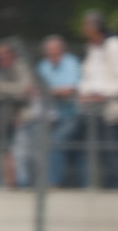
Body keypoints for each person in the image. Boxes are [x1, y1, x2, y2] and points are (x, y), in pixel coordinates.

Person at [79, 10, 118, 189]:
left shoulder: (114, 45)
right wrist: (85, 92)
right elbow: (89, 76)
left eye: (86, 25)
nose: (83, 30)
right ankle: (105, 185)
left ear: (95, 28)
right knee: (101, 150)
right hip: (94, 107)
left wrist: (106, 92)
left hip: (111, 106)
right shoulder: (92, 48)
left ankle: (117, 187)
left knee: (112, 148)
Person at [34, 34, 82, 187]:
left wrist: (50, 92)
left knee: (55, 143)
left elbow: (70, 89)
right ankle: (37, 180)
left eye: (55, 49)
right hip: (50, 116)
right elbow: (37, 89)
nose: (52, 53)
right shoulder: (43, 66)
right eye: (49, 50)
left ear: (62, 50)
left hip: (71, 115)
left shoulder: (71, 62)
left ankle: (53, 182)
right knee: (39, 143)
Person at [0, 41, 34, 187]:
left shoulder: (22, 66)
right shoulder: (0, 70)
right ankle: (6, 184)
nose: (2, 58)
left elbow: (26, 90)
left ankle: (23, 186)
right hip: (7, 120)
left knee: (21, 154)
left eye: (5, 55)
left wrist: (7, 90)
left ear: (12, 54)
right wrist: (16, 91)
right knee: (5, 154)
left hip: (25, 117)